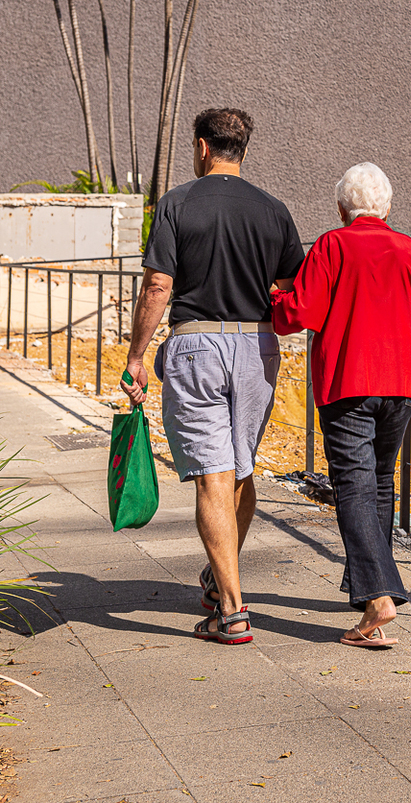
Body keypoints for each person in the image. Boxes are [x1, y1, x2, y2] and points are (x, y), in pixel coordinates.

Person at [122, 108, 305, 645]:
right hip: (257, 347)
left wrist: (137, 355)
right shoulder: (274, 210)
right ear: (242, 148)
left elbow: (158, 285)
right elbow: (292, 286)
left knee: (213, 476)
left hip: (196, 344)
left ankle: (231, 610)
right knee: (241, 471)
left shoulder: (178, 202)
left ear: (202, 147)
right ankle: (219, 577)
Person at [271, 163, 411, 647]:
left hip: (346, 385)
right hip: (399, 387)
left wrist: (272, 298)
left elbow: (298, 314)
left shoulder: (333, 246)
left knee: (354, 488)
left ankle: (378, 598)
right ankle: (374, 595)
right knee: (379, 486)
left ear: (341, 209)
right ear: (387, 207)